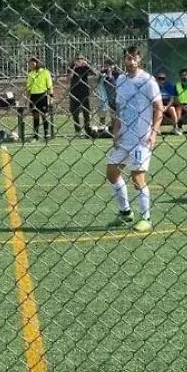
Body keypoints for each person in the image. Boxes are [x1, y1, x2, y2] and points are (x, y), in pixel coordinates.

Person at [106, 46, 162, 233]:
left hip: (141, 138)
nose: (130, 62)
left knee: (137, 178)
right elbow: (119, 108)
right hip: (124, 137)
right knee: (112, 172)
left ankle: (146, 218)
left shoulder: (148, 81)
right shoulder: (120, 80)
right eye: (127, 58)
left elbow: (159, 107)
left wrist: (154, 132)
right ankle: (125, 212)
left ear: (140, 60)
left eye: (133, 58)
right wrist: (116, 131)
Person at [64, 54, 96, 136]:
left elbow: (95, 73)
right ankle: (77, 130)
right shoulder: (72, 67)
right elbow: (68, 79)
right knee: (75, 112)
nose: (79, 60)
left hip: (84, 92)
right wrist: (74, 68)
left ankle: (87, 129)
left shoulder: (85, 67)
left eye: (81, 58)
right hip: (74, 92)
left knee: (86, 112)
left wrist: (87, 64)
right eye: (77, 59)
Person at [26, 57, 53, 141]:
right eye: (29, 64)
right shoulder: (30, 74)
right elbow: (28, 87)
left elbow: (49, 85)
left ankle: (46, 134)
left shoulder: (45, 72)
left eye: (32, 63)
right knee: (35, 117)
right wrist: (27, 99)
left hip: (42, 96)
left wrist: (51, 97)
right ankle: (36, 135)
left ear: (37, 63)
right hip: (34, 96)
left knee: (44, 116)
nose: (30, 65)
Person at [96, 59, 119, 128]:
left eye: (109, 65)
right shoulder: (103, 72)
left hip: (112, 95)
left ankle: (113, 127)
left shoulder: (116, 73)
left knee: (113, 112)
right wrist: (101, 74)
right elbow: (98, 81)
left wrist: (110, 74)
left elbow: (114, 84)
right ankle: (101, 127)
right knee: (102, 112)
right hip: (103, 95)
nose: (107, 67)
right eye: (106, 65)